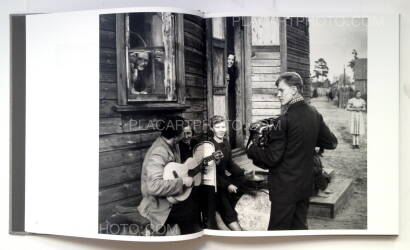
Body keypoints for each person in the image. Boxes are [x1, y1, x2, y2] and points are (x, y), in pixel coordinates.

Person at [246, 72, 338, 230]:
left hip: (284, 189)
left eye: (281, 90)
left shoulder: (284, 119)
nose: (278, 94)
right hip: (305, 186)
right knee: (299, 231)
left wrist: (251, 149)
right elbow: (331, 142)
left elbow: (272, 158)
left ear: (294, 90)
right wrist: (308, 141)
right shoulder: (314, 114)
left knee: (277, 235)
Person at [137, 116, 200, 235]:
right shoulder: (158, 152)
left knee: (194, 198)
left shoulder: (172, 144)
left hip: (169, 197)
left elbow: (176, 169)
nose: (186, 132)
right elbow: (153, 186)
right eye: (183, 130)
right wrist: (182, 182)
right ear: (177, 134)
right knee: (188, 212)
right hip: (158, 205)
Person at [201, 115, 253, 230]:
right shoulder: (209, 146)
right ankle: (231, 224)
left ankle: (229, 209)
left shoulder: (226, 142)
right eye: (217, 127)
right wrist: (227, 185)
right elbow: (210, 173)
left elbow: (229, 164)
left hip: (223, 178)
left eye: (223, 126)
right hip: (213, 184)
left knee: (246, 181)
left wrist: (243, 172)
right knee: (225, 204)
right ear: (212, 129)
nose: (221, 130)